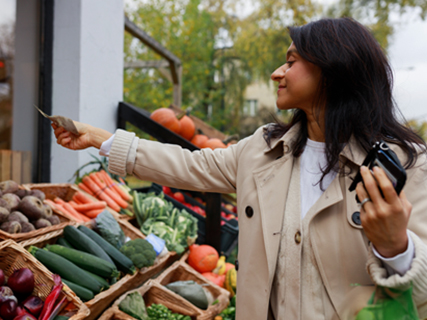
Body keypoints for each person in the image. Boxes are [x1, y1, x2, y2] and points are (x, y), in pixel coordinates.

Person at [53, 17, 427, 320]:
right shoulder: (262, 150)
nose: (277, 72)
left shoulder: (407, 166)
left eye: (292, 61)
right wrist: (101, 139)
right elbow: (189, 164)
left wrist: (397, 247)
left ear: (332, 71)